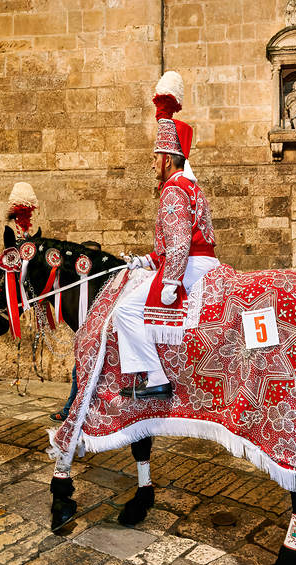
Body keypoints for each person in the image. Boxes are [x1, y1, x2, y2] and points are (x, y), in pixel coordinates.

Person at [115, 71, 220, 400]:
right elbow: (175, 241)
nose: (152, 165)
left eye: (154, 158)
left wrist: (170, 283)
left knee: (126, 310)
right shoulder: (189, 186)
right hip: (202, 261)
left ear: (167, 158)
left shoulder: (173, 190)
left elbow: (178, 247)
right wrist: (144, 260)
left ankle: (156, 377)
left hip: (190, 265)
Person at [49, 240, 102, 423]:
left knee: (77, 371)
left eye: (94, 255)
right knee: (78, 371)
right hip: (91, 338)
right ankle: (73, 410)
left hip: (101, 338)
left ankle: (69, 411)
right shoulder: (79, 281)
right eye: (87, 255)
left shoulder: (103, 280)